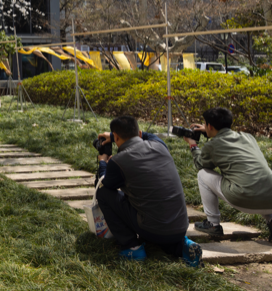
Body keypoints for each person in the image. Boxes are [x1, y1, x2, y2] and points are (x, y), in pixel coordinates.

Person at [95, 116, 201, 266]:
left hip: (152, 230)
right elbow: (147, 135)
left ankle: (132, 247)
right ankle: (182, 246)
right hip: (181, 227)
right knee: (158, 218)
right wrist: (112, 136)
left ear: (117, 137)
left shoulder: (118, 160)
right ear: (138, 133)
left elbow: (103, 183)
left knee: (103, 193)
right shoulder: (159, 144)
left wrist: (102, 161)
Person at [184, 107, 272, 240]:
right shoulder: (248, 137)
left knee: (202, 174)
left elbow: (201, 164)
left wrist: (193, 145)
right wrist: (209, 130)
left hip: (244, 199)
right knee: (259, 180)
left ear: (210, 126)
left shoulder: (212, 145)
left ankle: (213, 224)